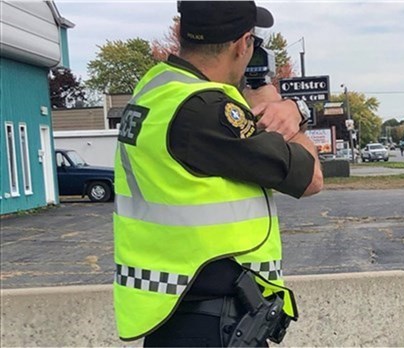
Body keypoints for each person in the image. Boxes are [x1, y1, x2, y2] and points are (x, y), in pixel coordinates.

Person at [112, 1, 323, 346]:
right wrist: (290, 114)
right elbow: (312, 177)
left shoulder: (157, 90)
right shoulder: (208, 113)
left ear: (179, 32)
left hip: (174, 315)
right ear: (243, 44)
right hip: (214, 325)